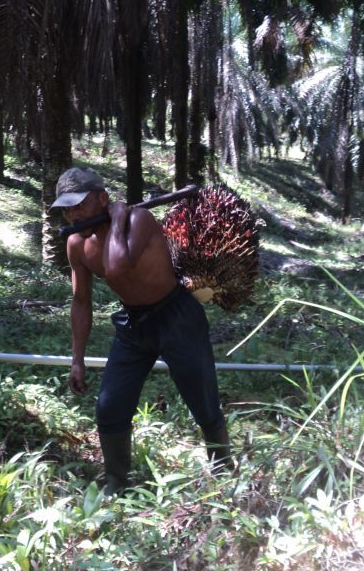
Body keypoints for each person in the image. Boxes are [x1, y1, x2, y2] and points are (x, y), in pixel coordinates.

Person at [51, 166, 232, 494]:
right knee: (109, 405)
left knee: (202, 399)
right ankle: (117, 482)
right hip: (135, 325)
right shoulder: (77, 243)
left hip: (178, 317)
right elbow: (80, 301)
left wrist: (118, 219)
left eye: (80, 205)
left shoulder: (138, 221)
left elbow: (116, 266)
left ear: (104, 199)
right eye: (66, 208)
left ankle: (224, 469)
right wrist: (76, 358)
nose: (72, 214)